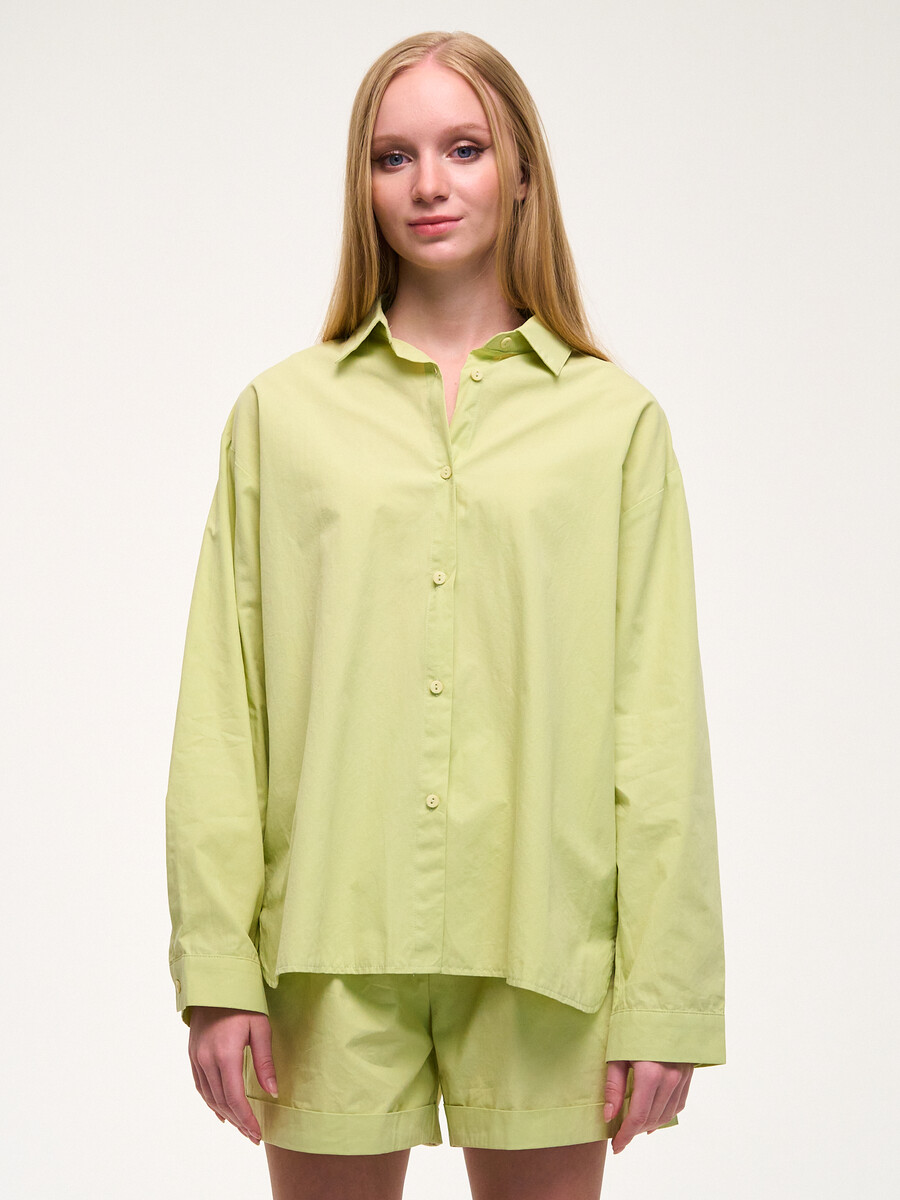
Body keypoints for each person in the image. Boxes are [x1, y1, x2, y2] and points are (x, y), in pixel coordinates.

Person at [164, 29, 726, 1200]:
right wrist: (216, 969)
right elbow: (226, 708)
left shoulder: (614, 425)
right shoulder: (281, 417)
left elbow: (656, 723)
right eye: (394, 156)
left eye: (464, 148)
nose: (428, 183)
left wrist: (663, 996)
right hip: (326, 949)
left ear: (521, 170)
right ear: (363, 183)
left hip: (546, 948)